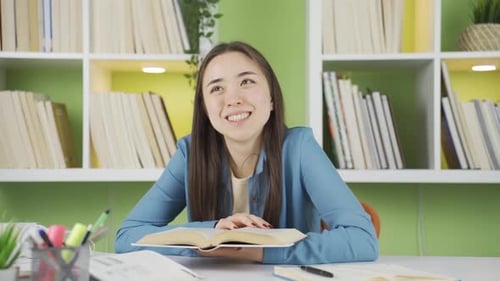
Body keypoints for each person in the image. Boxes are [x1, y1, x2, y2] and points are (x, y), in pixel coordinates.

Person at [115, 41, 378, 264]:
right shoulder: (189, 152)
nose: (233, 98)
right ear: (205, 109)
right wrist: (211, 234)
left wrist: (262, 252)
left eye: (247, 82)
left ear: (272, 98)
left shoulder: (300, 148)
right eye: (217, 88)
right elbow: (127, 236)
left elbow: (362, 239)